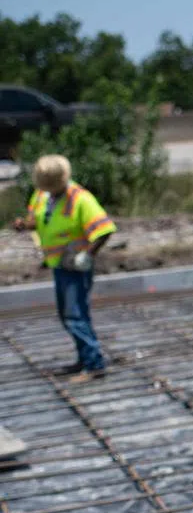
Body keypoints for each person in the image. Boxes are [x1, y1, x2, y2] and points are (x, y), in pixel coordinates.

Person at [9, 155, 116, 383]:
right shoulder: (42, 195)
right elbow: (38, 219)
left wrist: (87, 255)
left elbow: (105, 228)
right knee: (69, 314)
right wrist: (24, 225)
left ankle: (94, 364)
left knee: (75, 315)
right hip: (59, 264)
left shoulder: (80, 199)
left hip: (74, 266)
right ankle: (84, 360)